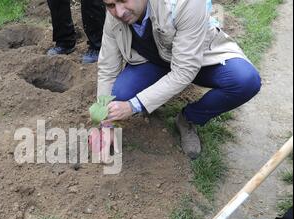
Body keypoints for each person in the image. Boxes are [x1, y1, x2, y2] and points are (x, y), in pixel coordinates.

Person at [97, 0, 261, 159]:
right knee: (118, 94)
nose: (119, 12)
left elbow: (184, 70)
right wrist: (106, 123)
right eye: (110, 5)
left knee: (245, 81)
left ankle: (188, 119)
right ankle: (153, 98)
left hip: (197, 59)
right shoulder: (115, 16)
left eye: (123, 0)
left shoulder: (185, 3)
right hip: (155, 60)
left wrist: (133, 106)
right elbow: (107, 68)